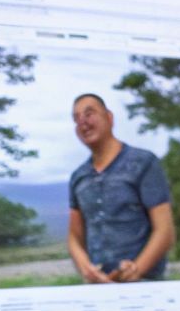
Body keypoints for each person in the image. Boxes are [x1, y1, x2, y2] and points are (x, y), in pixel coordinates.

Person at [67, 93, 174, 283]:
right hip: (98, 288)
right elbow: (75, 236)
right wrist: (86, 269)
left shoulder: (143, 163)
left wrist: (136, 270)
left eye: (89, 114)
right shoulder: (78, 177)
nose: (83, 122)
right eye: (76, 118)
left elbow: (165, 230)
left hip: (145, 285)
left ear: (109, 117)